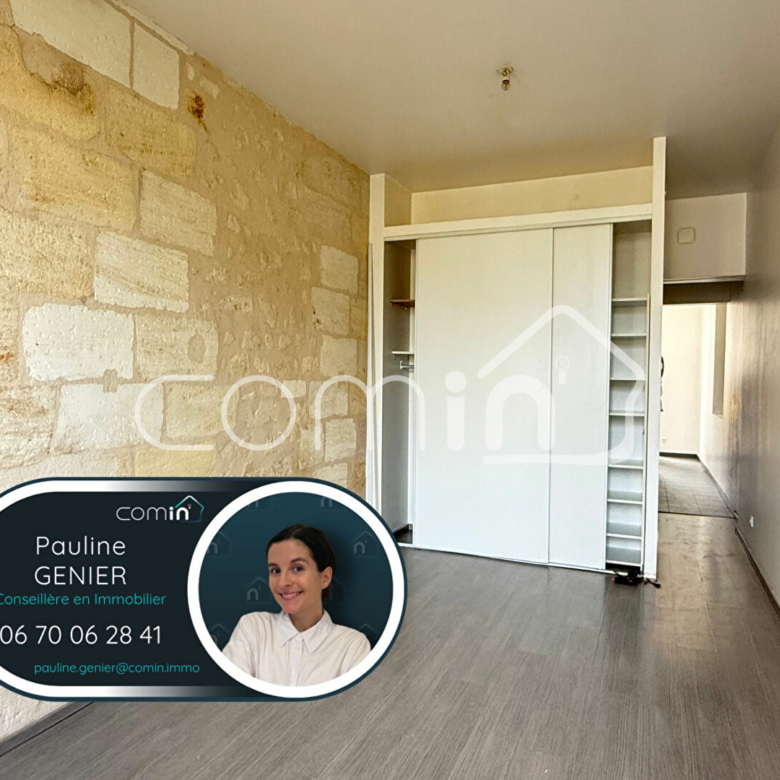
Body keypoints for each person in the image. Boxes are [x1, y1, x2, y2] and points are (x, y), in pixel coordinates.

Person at [222, 524, 371, 687]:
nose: (283, 582)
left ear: (325, 578)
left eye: (297, 568)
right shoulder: (253, 628)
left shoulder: (352, 647)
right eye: (275, 570)